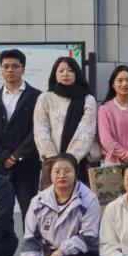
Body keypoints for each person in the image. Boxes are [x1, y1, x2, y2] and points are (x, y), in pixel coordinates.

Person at [0, 49, 42, 256]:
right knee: (0, 213)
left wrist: (16, 156)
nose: (10, 70)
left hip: (27, 165)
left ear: (23, 68)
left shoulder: (36, 97)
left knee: (29, 212)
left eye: (15, 66)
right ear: (1, 69)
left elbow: (37, 130)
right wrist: (1, 157)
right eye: (5, 66)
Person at [33, 56, 98, 188]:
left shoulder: (88, 99)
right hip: (51, 163)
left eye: (70, 70)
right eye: (61, 71)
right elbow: (41, 130)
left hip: (79, 161)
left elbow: (87, 131)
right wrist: (53, 159)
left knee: (80, 197)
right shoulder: (45, 98)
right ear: (55, 74)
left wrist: (70, 160)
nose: (65, 74)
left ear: (77, 74)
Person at [97, 64, 128, 165]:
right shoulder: (105, 109)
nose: (124, 84)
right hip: (113, 164)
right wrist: (124, 154)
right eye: (120, 80)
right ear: (113, 84)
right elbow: (105, 139)